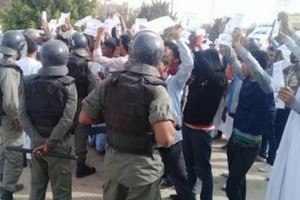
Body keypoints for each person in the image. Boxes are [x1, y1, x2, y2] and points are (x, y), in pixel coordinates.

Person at [79, 30, 176, 200]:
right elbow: (166, 139)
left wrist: (109, 114)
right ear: (157, 57)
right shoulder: (157, 90)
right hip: (142, 172)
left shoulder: (110, 82)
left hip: (114, 166)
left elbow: (85, 118)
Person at [18, 39, 77, 200]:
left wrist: (38, 141)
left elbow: (22, 115)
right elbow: (67, 119)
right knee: (62, 193)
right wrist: (49, 143)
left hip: (36, 145)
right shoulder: (68, 85)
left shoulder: (28, 82)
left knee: (36, 189)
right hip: (58, 146)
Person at [224, 28, 273, 200]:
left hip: (250, 146)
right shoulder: (245, 79)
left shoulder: (266, 85)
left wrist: (239, 46)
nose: (241, 64)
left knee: (231, 187)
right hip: (235, 141)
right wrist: (230, 44)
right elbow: (232, 59)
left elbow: (255, 67)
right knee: (238, 184)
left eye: (244, 62)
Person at [182, 46, 228, 199]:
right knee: (190, 166)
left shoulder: (219, 79)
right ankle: (189, 194)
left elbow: (213, 76)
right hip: (187, 126)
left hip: (201, 131)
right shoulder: (199, 74)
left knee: (204, 172)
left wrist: (198, 53)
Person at [158, 26, 195, 200]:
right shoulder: (148, 83)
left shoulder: (175, 82)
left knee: (179, 175)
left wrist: (179, 39)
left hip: (173, 137)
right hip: (154, 136)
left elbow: (188, 64)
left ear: (166, 66)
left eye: (158, 62)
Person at [67, 32, 98, 178]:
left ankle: (62, 158)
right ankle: (80, 164)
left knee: (63, 128)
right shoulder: (88, 63)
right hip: (81, 99)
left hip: (65, 99)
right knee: (80, 132)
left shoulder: (64, 60)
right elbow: (94, 87)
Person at [0, 30, 26, 200]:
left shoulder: (2, 66)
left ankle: (5, 183)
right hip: (10, 119)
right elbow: (10, 102)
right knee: (15, 155)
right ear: (19, 48)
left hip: (4, 119)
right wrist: (18, 121)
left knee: (5, 151)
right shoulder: (9, 70)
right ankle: (7, 192)